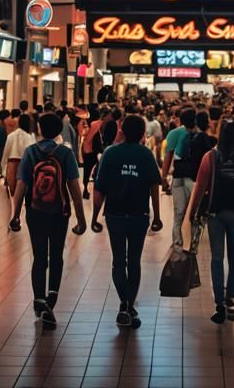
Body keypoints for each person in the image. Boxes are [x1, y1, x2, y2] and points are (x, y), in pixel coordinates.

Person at [9, 112, 87, 329]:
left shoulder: (30, 152)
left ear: (40, 130)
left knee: (39, 255)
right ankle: (51, 296)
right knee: (56, 255)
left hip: (35, 212)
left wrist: (15, 215)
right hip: (59, 213)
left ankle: (39, 299)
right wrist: (81, 219)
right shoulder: (65, 153)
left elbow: (21, 186)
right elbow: (74, 189)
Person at [91, 113, 163, 328]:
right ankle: (130, 304)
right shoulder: (146, 155)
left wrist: (95, 217)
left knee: (118, 260)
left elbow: (99, 189)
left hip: (114, 214)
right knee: (134, 261)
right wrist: (157, 216)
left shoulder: (110, 154)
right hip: (138, 215)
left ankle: (124, 303)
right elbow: (154, 187)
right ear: (142, 133)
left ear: (122, 131)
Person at [189, 117, 234, 324]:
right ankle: (230, 299)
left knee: (217, 258)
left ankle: (219, 303)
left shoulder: (210, 157)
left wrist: (193, 211)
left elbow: (200, 186)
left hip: (215, 214)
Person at [161, 106, 211, 248]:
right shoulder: (201, 136)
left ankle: (177, 242)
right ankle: (192, 242)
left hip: (178, 177)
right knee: (193, 213)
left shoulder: (173, 134)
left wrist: (163, 177)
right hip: (194, 179)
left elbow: (168, 157)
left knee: (179, 212)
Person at [1, 112, 36, 197]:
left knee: (13, 198)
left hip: (12, 169)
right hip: (26, 169)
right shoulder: (31, 136)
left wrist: (4, 172)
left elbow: (5, 155)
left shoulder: (11, 136)